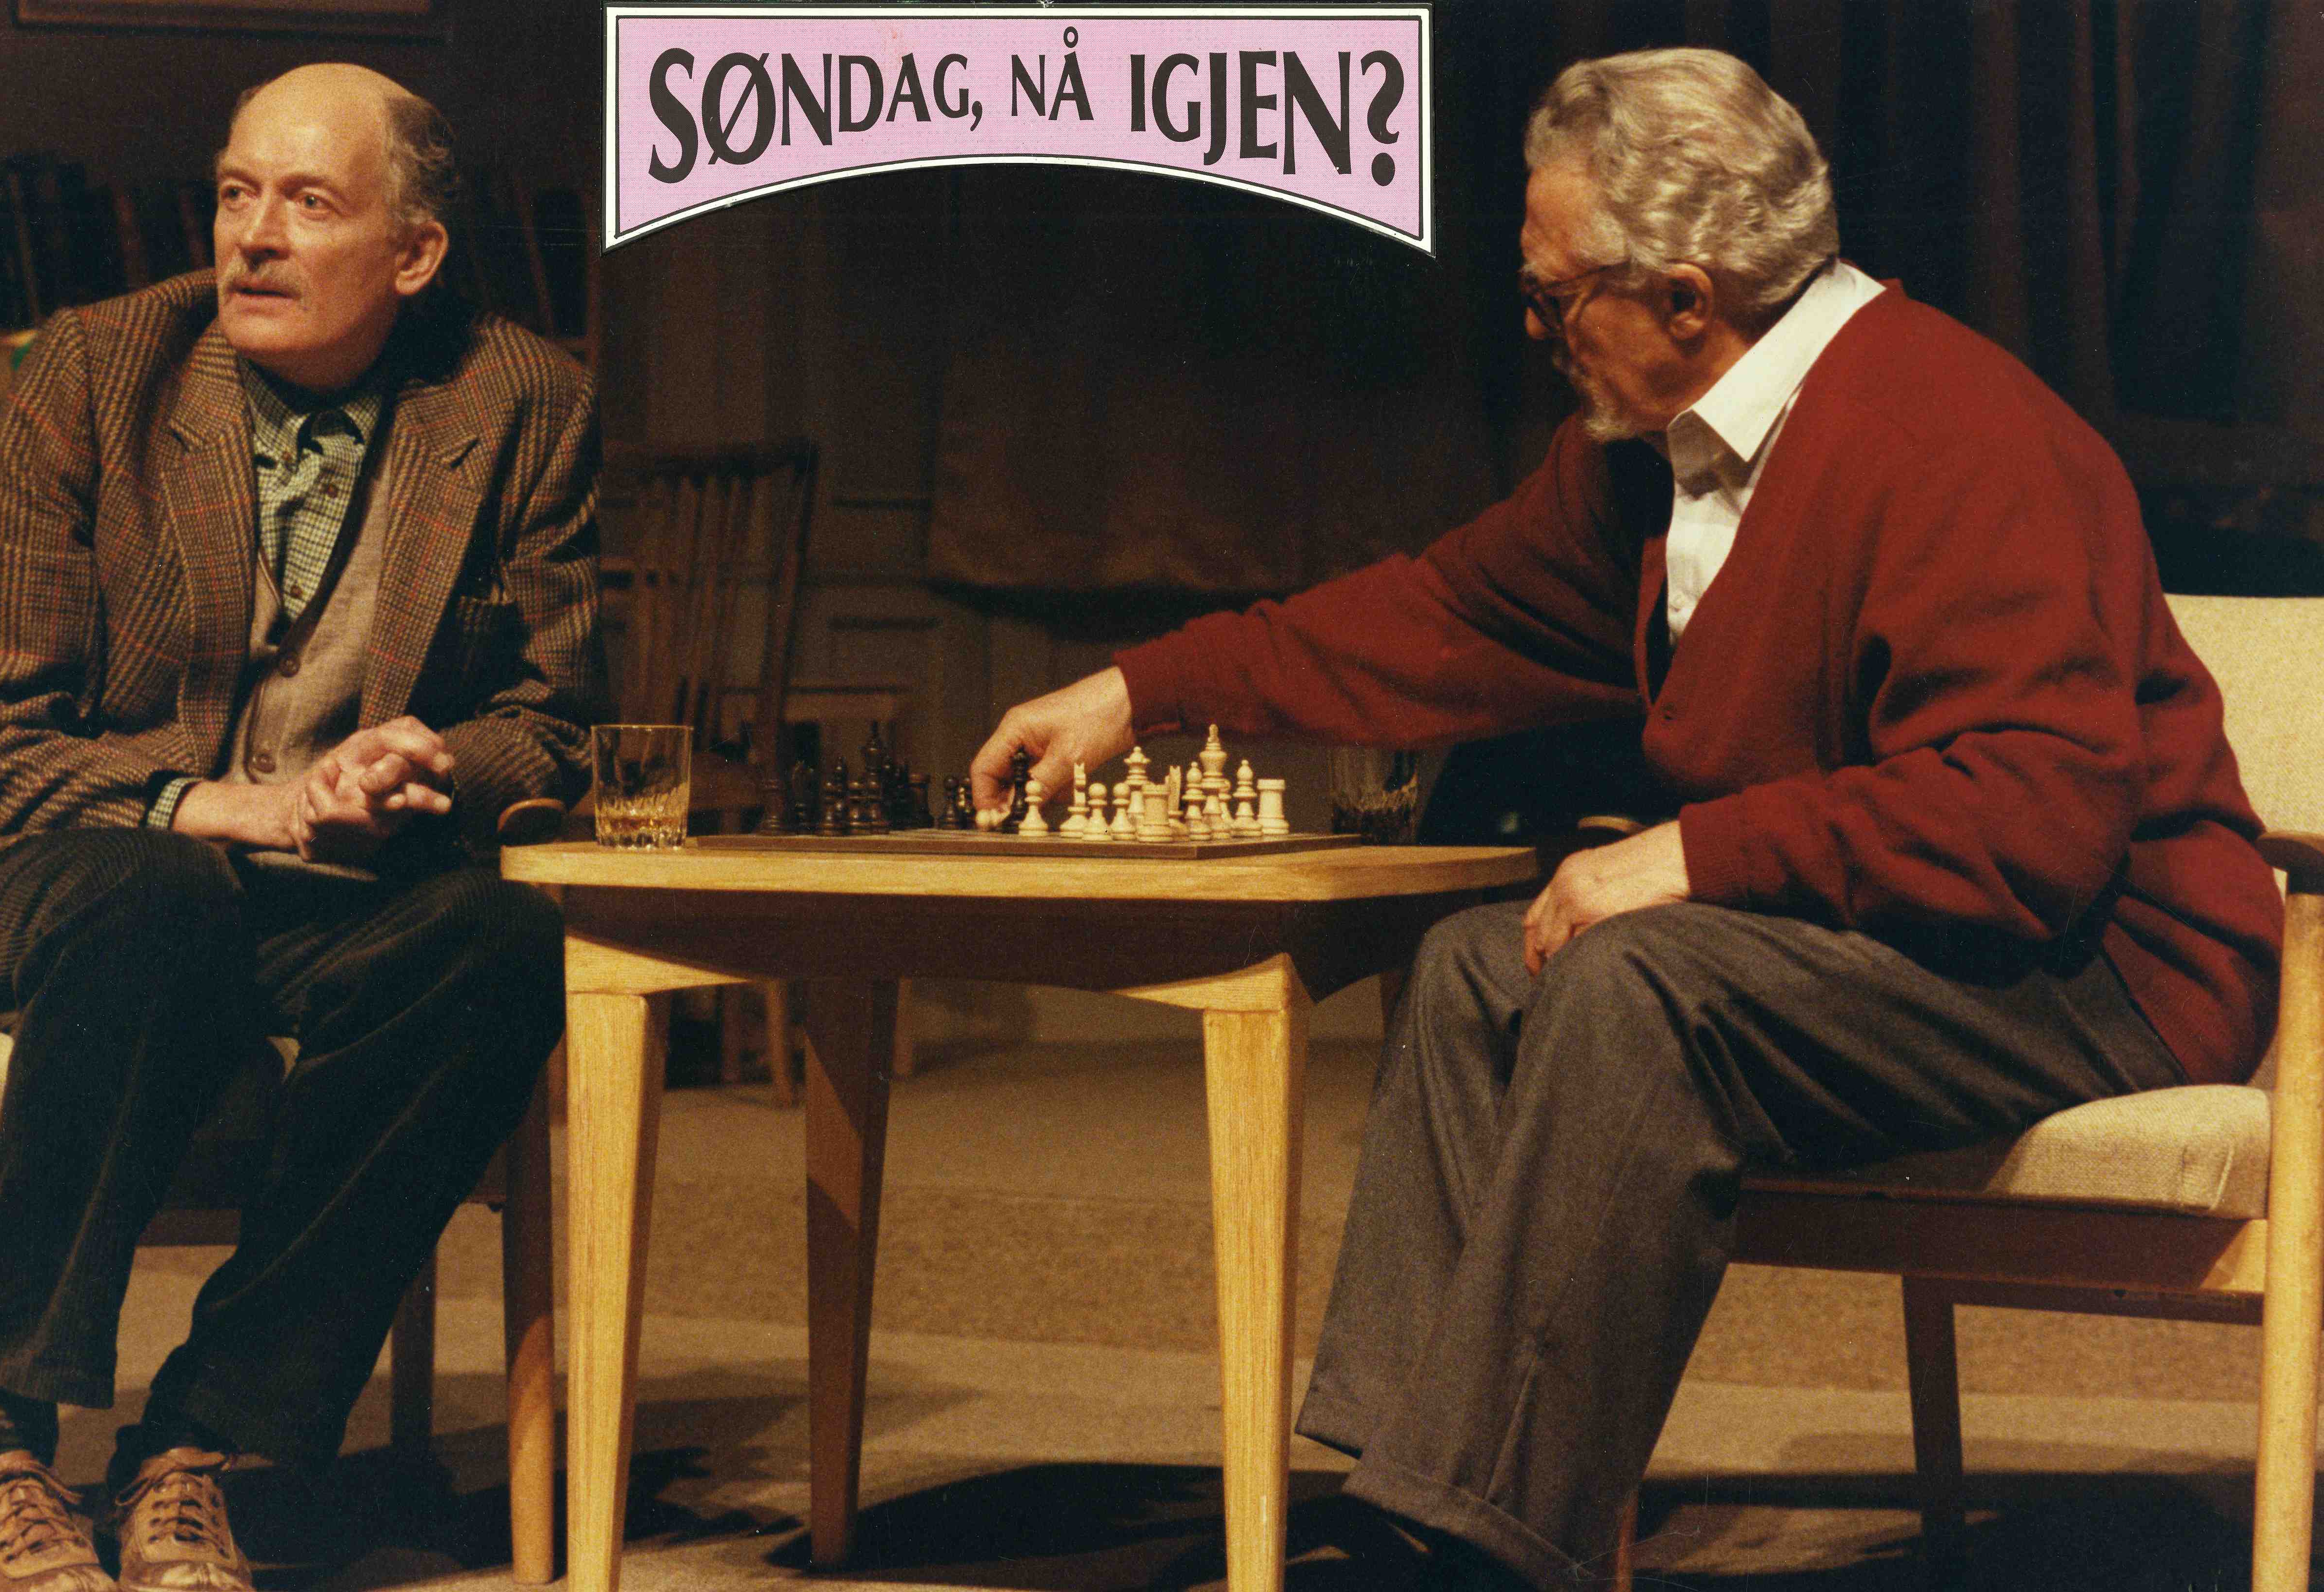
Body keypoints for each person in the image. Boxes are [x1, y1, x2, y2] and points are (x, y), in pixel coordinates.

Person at [971, 47, 2282, 1592]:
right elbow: (1437, 620)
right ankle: (1412, 1502)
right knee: (1478, 967)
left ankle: (1483, 1546)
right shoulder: (1649, 461)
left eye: (1553, 301)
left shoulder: (1955, 431)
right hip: (1915, 937)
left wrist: (1694, 856)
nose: (1535, 337)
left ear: (1685, 297)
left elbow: (2031, 818)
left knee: (1637, 982)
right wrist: (1140, 689)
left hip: (2107, 968)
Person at [0, 64, 603, 1592]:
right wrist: (215, 804)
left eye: (308, 203)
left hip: (317, 891)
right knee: (156, 891)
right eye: (235, 194)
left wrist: (431, 761)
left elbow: (554, 722)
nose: (254, 236)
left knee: (502, 940)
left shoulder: (521, 400)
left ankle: (199, 1445)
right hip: (45, 884)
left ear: (415, 253)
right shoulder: (96, 372)